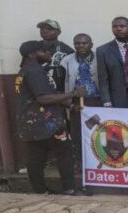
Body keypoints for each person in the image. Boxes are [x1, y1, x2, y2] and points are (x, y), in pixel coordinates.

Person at [16, 41, 84, 195]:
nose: (49, 54)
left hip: (31, 122)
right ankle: (69, 189)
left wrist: (71, 106)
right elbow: (44, 98)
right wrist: (74, 94)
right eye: (44, 51)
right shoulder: (35, 71)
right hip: (46, 122)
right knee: (64, 153)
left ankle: (40, 191)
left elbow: (37, 97)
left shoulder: (24, 71)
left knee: (36, 157)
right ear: (32, 54)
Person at [61, 34, 100, 107]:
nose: (81, 46)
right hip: (75, 100)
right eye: (77, 43)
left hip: (97, 99)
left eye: (84, 43)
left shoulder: (100, 58)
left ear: (91, 45)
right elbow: (62, 82)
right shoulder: (66, 60)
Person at [37, 19, 74, 93]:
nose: (45, 31)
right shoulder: (33, 47)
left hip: (59, 92)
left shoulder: (67, 50)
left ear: (59, 32)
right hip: (37, 90)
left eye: (50, 29)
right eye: (42, 28)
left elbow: (72, 73)